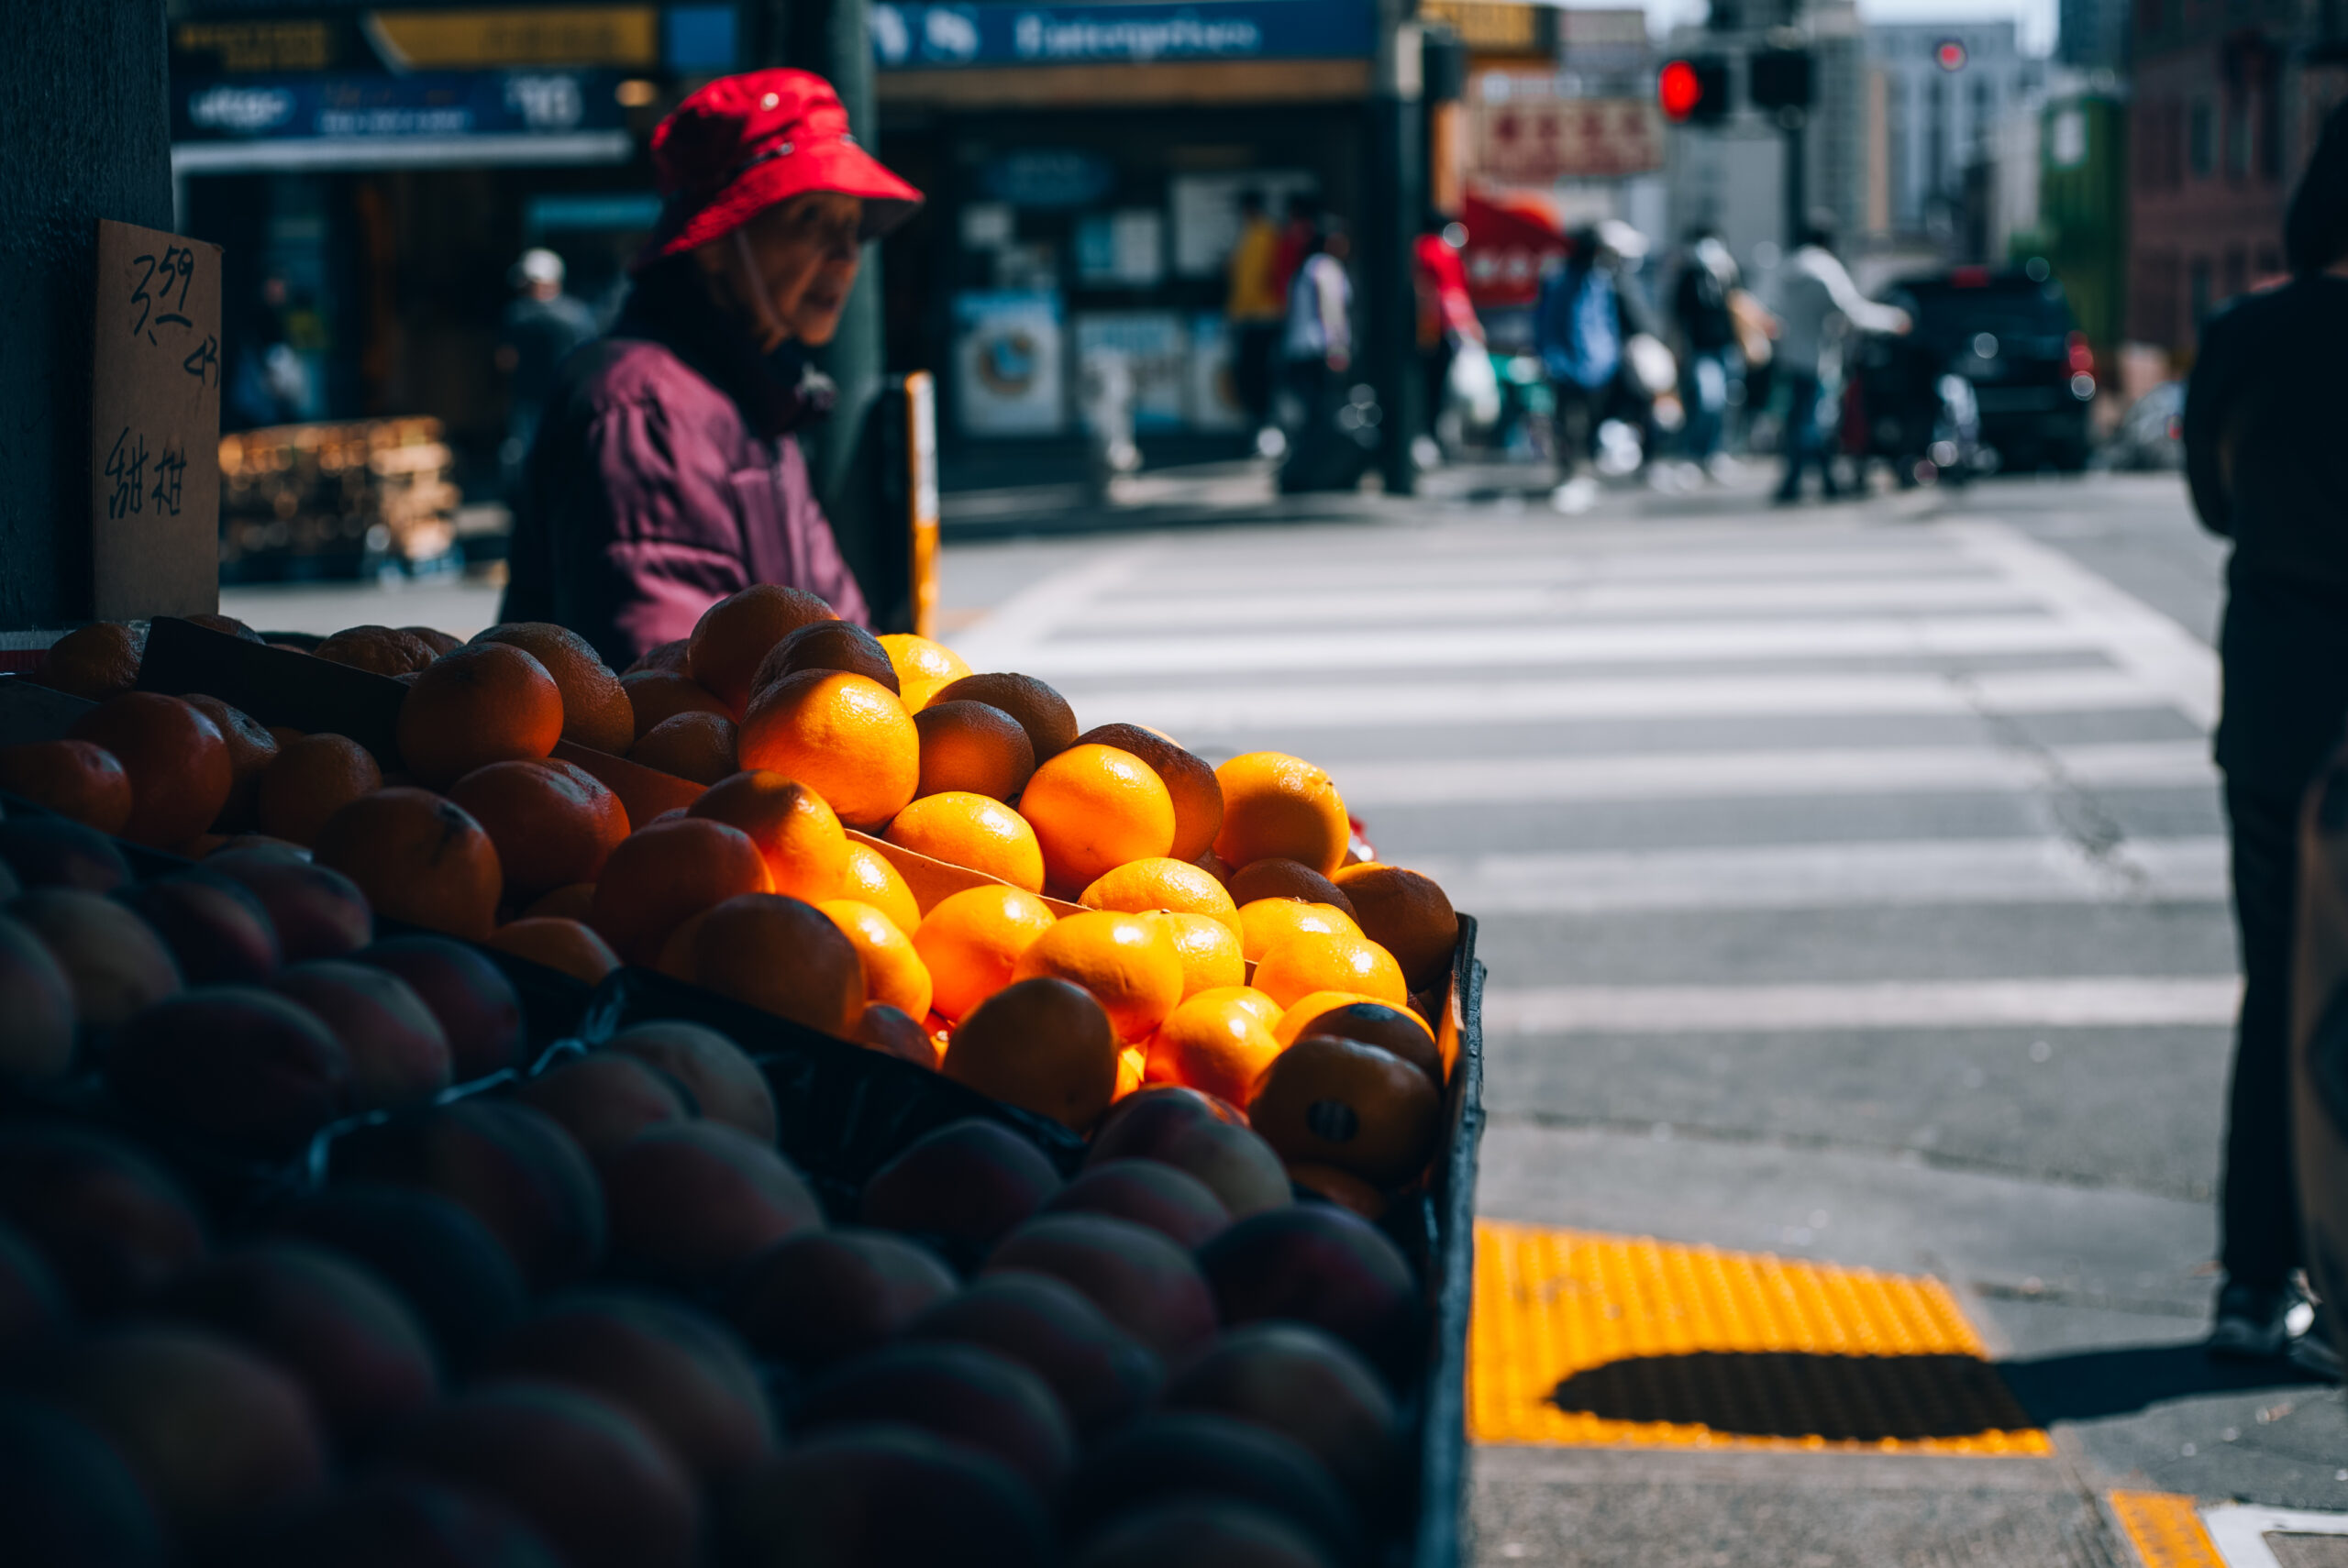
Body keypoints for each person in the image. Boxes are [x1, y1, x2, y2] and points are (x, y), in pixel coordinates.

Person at [502, 69, 922, 666]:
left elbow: (841, 633)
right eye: (809, 219)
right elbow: (677, 707)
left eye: (851, 227)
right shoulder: (647, 408)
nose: (845, 255)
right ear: (717, 241)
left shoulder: (758, 396)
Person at [2183, 100, 2348, 1376]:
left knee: (2279, 992)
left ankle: (2253, 1281)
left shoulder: (2245, 334)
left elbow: (2212, 504)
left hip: (2279, 708)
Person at [1767, 216, 1908, 503]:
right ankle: (1812, 481)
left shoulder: (1787, 268)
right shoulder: (1825, 269)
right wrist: (1894, 320)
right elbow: (1853, 311)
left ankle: (1804, 482)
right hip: (1816, 359)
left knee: (1799, 421)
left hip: (1790, 358)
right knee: (1812, 423)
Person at [1534, 221, 1656, 513]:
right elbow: (1547, 324)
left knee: (1591, 421)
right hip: (1568, 365)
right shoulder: (1560, 278)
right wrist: (1552, 360)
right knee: (1570, 422)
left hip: (1598, 366)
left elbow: (1606, 324)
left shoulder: (1599, 280)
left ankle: (1583, 469)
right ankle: (1574, 471)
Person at [496, 248, 599, 500]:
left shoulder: (517, 315)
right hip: (571, 401)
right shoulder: (579, 315)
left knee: (529, 465)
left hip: (530, 402)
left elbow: (505, 361)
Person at [1412, 215, 1486, 455]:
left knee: (1426, 384)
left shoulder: (1416, 249)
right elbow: (1452, 295)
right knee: (1436, 386)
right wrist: (1469, 326)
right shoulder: (1442, 252)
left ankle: (1427, 436)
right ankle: (1432, 437)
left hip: (1424, 328)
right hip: (1440, 329)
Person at [1670, 226, 1740, 478]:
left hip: (1728, 348)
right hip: (1701, 350)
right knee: (1707, 400)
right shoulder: (1688, 277)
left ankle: (1716, 453)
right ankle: (1693, 453)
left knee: (1726, 404)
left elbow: (1737, 307)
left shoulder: (1726, 274)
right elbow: (1677, 317)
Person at [1224, 191, 1285, 439]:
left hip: (1261, 315)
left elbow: (1263, 278)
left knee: (1259, 374)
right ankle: (1260, 424)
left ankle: (1266, 426)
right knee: (1250, 373)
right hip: (1248, 316)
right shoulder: (1250, 234)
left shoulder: (1265, 234)